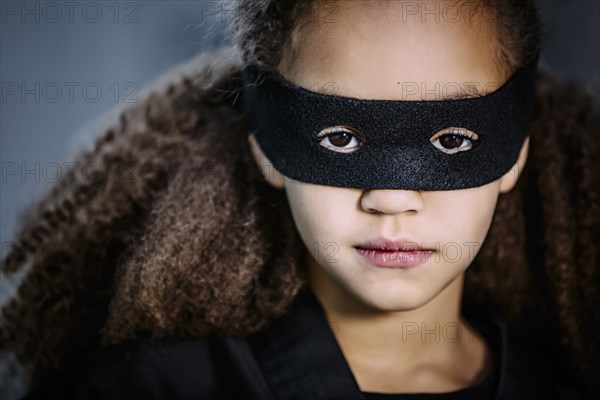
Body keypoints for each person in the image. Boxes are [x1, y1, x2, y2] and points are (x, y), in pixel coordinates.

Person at [1, 0, 598, 399]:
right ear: (266, 147)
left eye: (451, 139)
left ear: (515, 151)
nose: (390, 199)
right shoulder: (141, 390)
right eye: (338, 138)